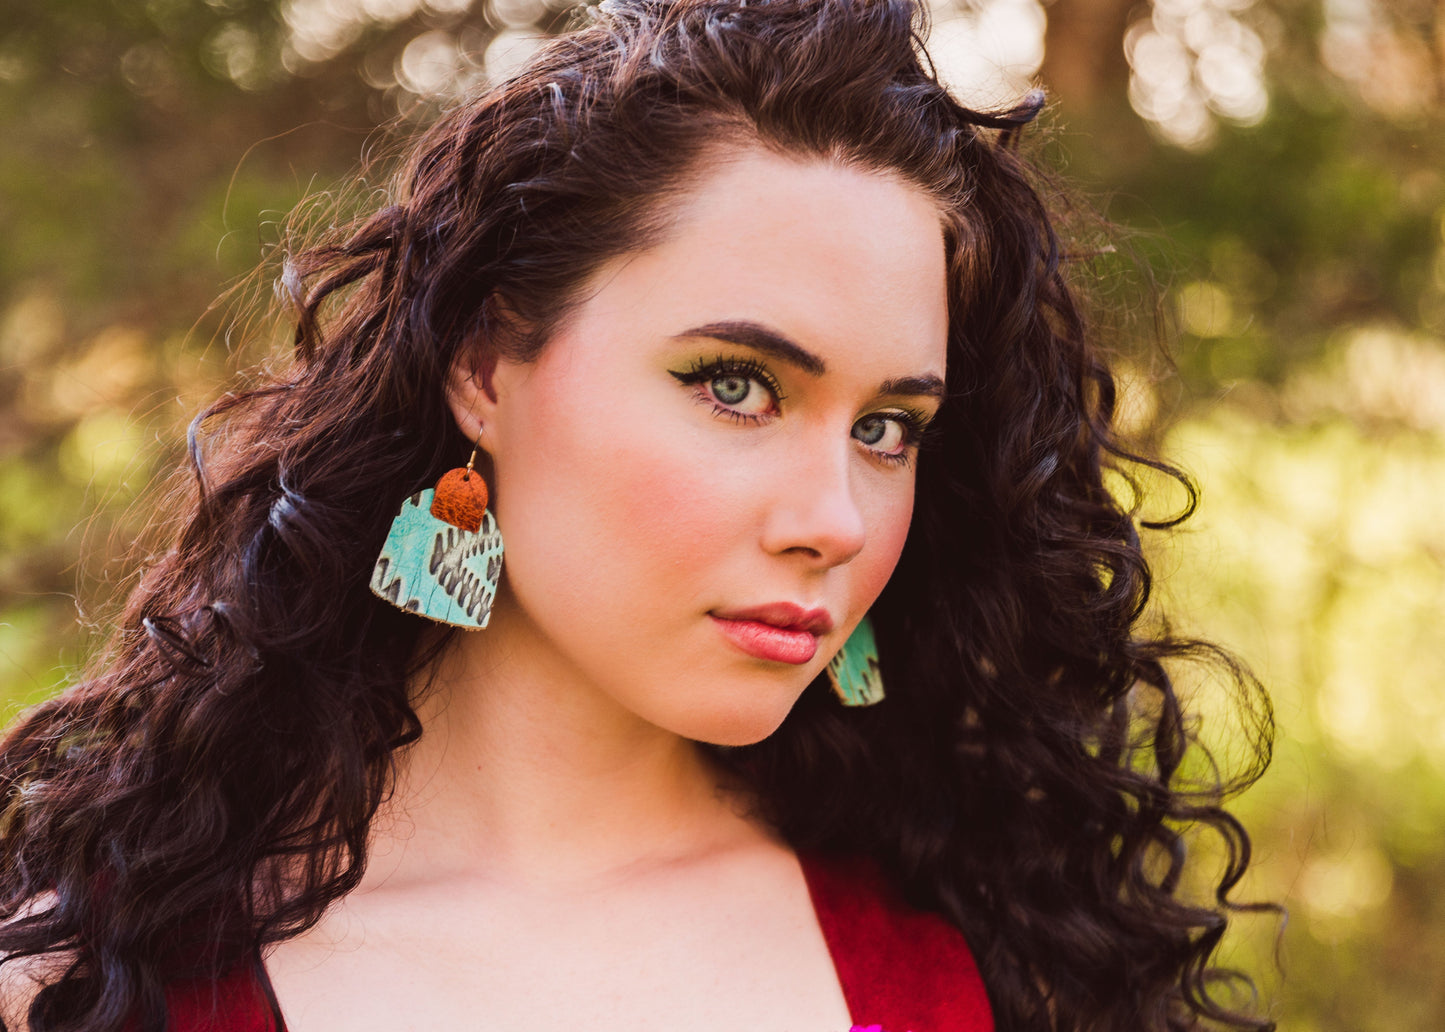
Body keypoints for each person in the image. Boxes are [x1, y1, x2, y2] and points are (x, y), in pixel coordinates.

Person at [0, 0, 1278, 1029]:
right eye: (735, 386)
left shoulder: (957, 965)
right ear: (487, 368)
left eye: (887, 427)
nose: (833, 518)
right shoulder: (92, 986)